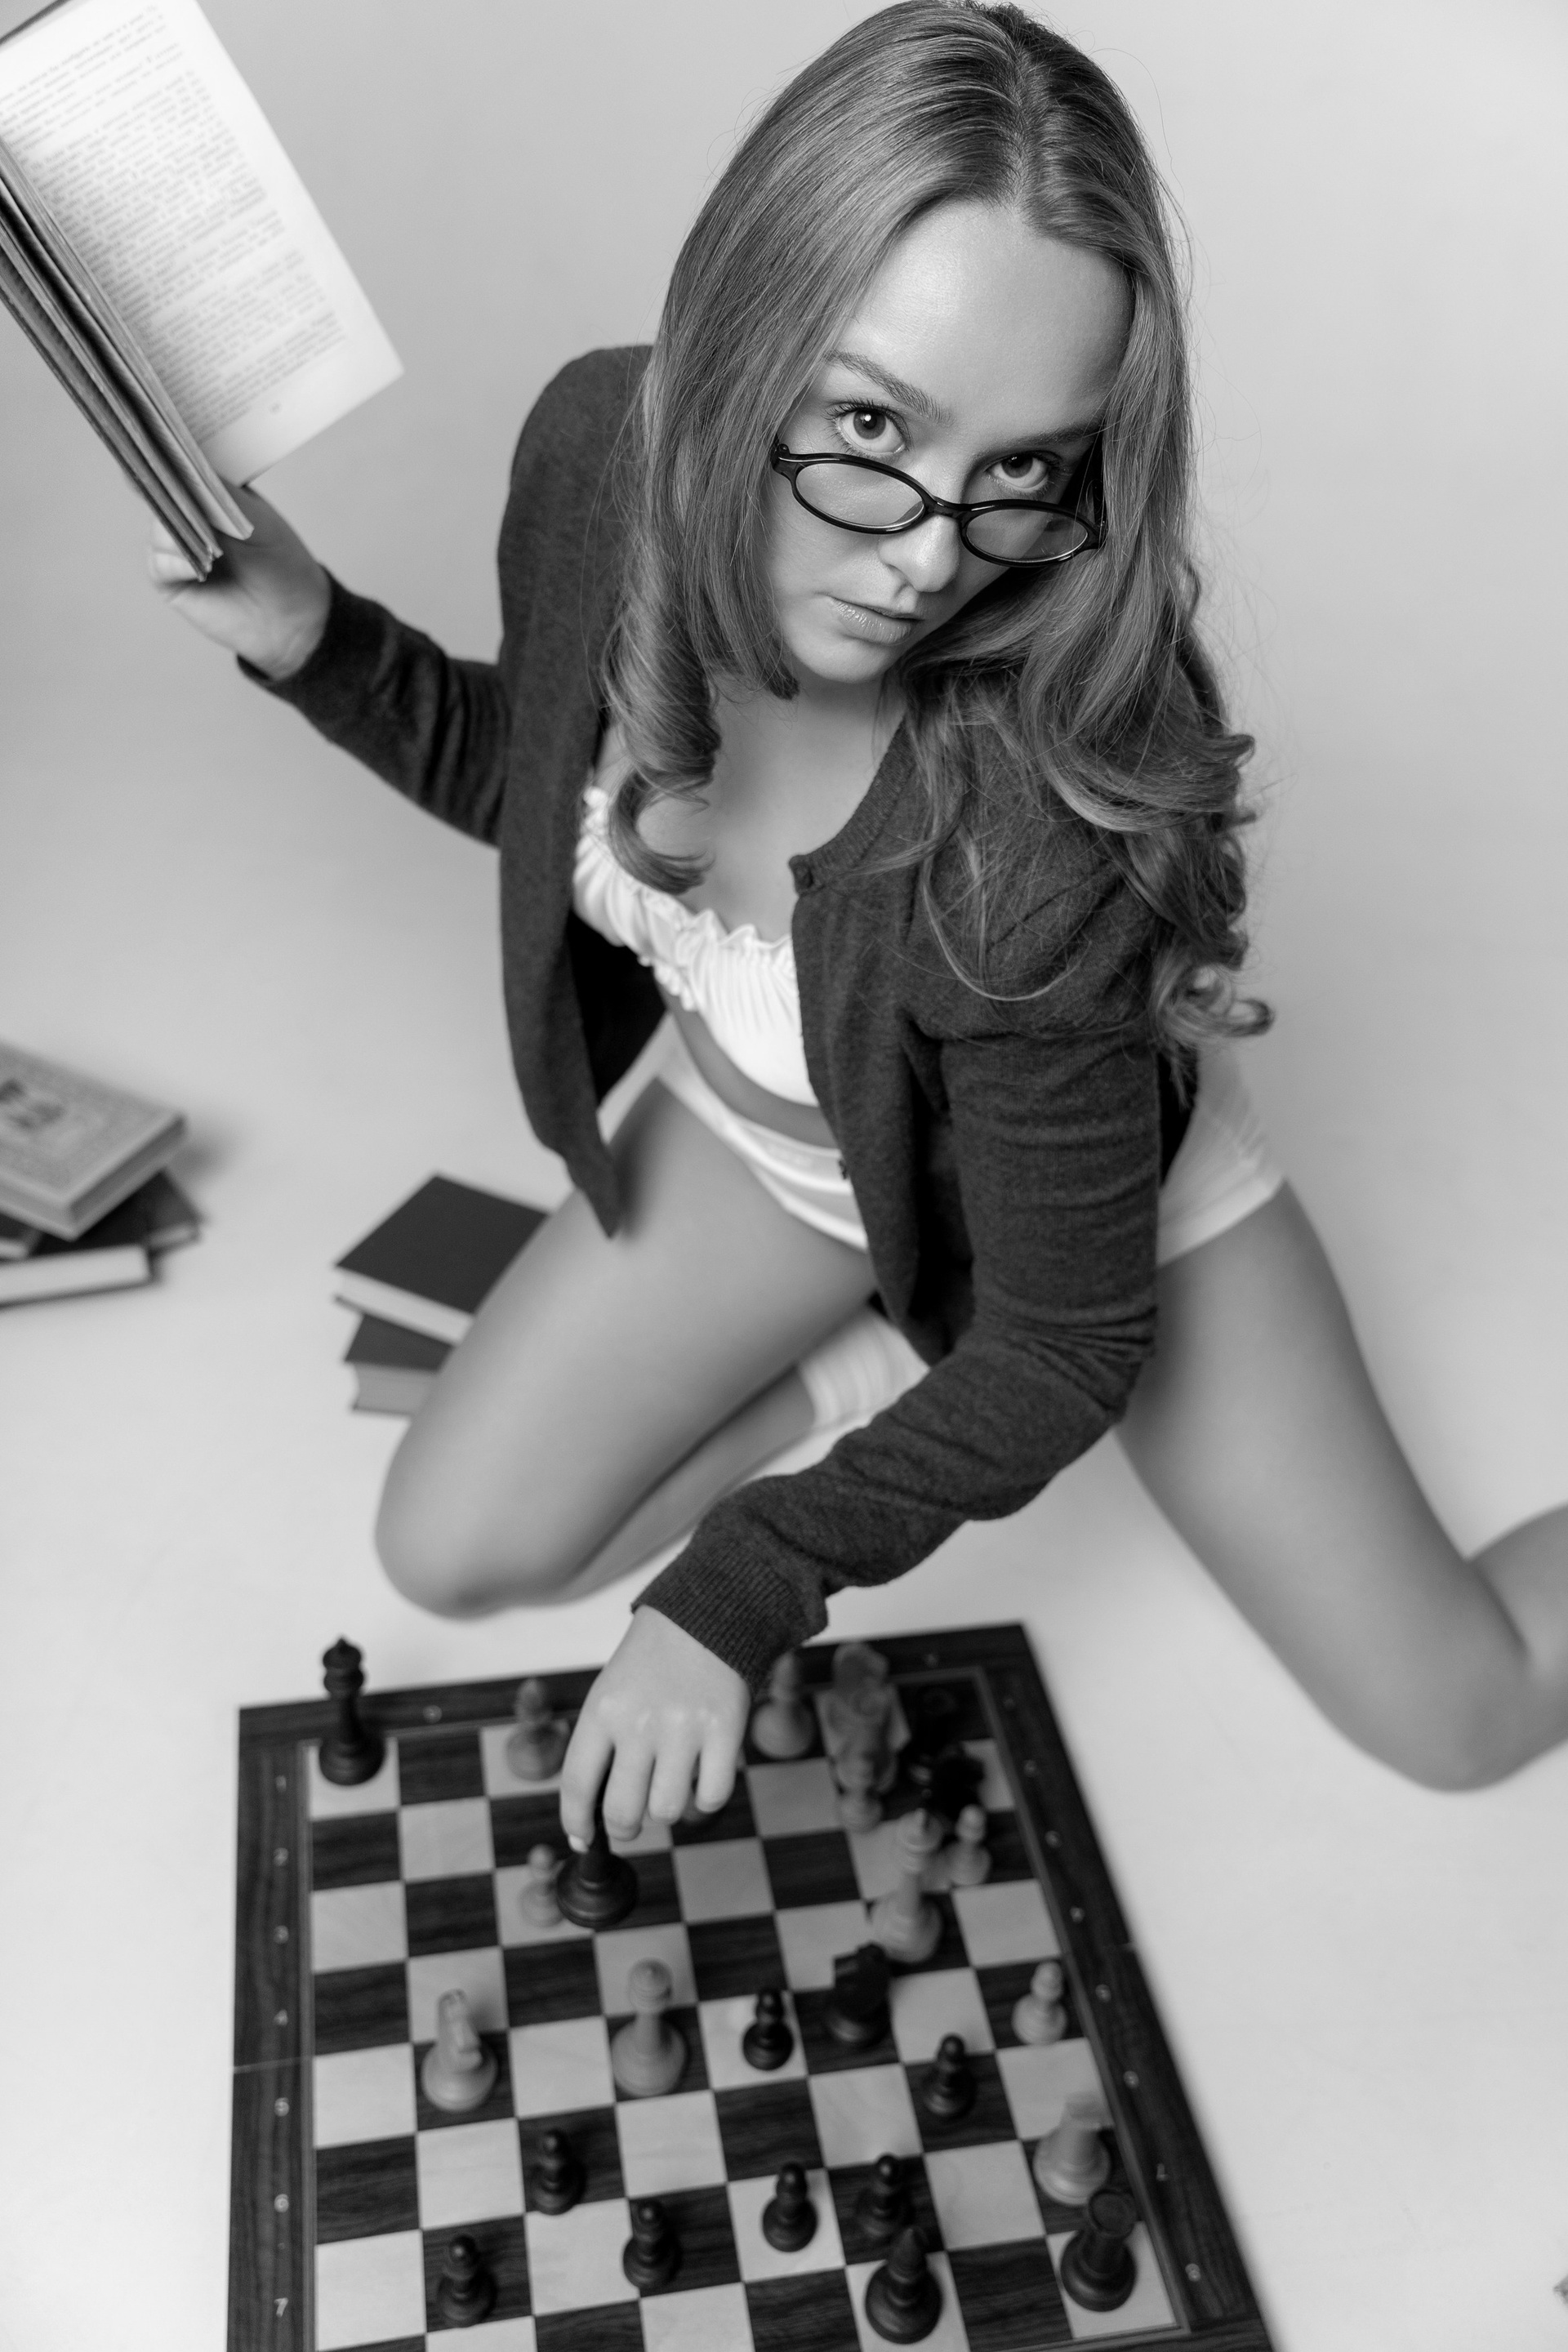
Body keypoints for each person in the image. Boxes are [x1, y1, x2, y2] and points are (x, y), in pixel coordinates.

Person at [150, 2, 1568, 1836]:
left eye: (1026, 471)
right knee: (452, 1549)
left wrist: (742, 1590)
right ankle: (884, 1344)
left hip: (1070, 1236)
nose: (928, 556)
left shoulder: (1028, 843)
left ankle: (923, 1328)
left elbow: (1066, 1341)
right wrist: (313, 640)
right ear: (738, 336)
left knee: (1461, 1711)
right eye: (874, 422)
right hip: (781, 1150)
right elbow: (557, 787)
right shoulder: (600, 454)